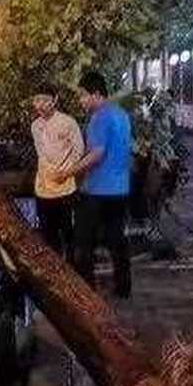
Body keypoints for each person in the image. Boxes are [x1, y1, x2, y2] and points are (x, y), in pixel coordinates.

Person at [64, 71, 133, 298]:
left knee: (83, 243)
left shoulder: (99, 117)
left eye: (83, 96)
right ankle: (123, 287)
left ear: (95, 94)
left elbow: (97, 154)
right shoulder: (121, 115)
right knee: (117, 239)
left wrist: (69, 171)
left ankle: (85, 292)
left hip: (97, 190)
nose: (81, 101)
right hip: (120, 188)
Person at [30, 85, 84, 262]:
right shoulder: (35, 126)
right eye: (37, 100)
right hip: (43, 188)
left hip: (65, 188)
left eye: (44, 100)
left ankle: (73, 272)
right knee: (48, 235)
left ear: (54, 100)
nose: (40, 104)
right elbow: (41, 153)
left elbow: (79, 150)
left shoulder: (67, 122)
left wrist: (67, 171)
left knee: (69, 234)